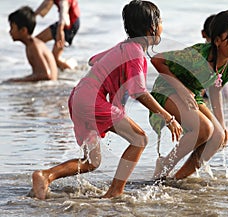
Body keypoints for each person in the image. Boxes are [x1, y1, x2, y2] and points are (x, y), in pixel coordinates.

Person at [32, 0, 182, 200]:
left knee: (92, 162)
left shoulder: (124, 47)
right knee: (140, 139)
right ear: (151, 27)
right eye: (161, 20)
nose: (163, 25)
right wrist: (167, 117)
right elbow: (140, 92)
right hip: (92, 100)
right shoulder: (135, 52)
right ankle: (114, 192)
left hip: (79, 97)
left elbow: (93, 60)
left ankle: (45, 176)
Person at [149, 10, 228, 180]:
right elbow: (157, 60)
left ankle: (179, 179)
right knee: (203, 129)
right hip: (167, 89)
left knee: (217, 136)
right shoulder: (197, 56)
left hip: (191, 94)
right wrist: (182, 89)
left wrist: (222, 124)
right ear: (217, 40)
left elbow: (216, 89)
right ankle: (165, 164)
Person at [6, 6, 57, 82]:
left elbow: (46, 75)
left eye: (12, 28)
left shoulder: (34, 46)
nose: (10, 32)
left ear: (23, 30)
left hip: (48, 88)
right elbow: (40, 74)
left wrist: (18, 80)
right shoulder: (31, 44)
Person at [34, 0, 80, 70]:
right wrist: (33, 15)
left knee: (55, 58)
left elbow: (64, 13)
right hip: (62, 23)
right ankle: (43, 68)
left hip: (68, 25)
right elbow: (46, 4)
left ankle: (72, 70)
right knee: (36, 41)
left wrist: (60, 31)